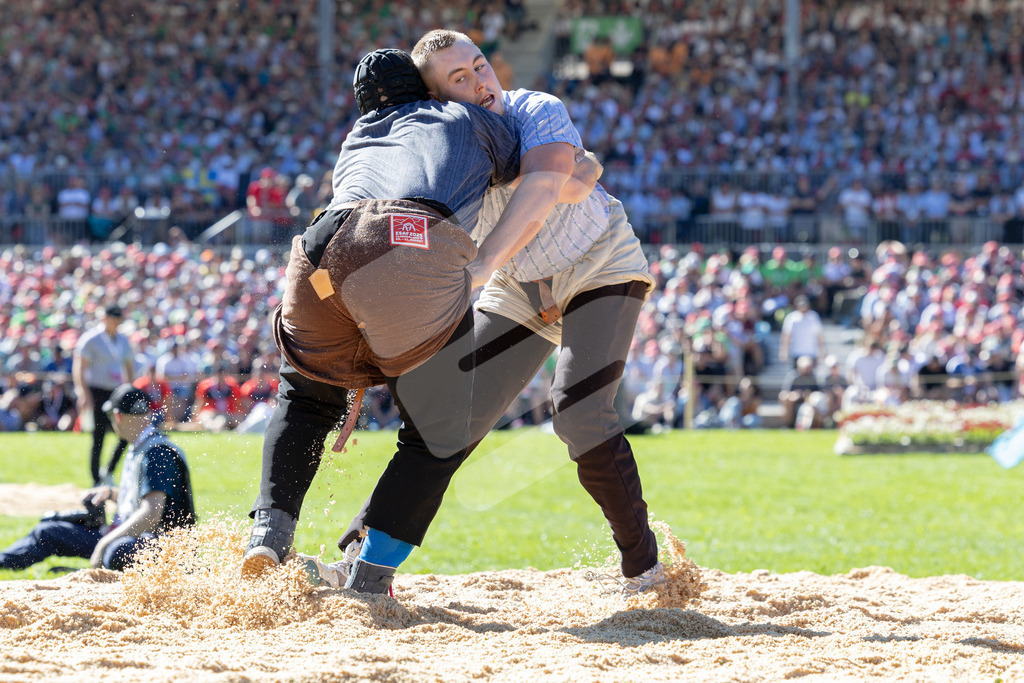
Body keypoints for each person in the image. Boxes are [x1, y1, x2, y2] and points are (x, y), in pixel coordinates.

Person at [328, 31, 664, 595]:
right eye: (459, 78)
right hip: (518, 285)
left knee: (579, 414)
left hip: (597, 263)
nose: (480, 81)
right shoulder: (441, 147)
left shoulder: (537, 107)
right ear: (435, 98)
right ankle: (366, 555)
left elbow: (544, 189)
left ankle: (645, 570)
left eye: (480, 65)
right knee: (443, 412)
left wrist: (483, 263)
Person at [242, 47, 587, 586]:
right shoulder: (468, 117)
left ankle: (269, 532)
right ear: (428, 89)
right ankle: (372, 571)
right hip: (406, 243)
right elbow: (548, 174)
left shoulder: (357, 137)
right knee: (439, 432)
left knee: (304, 397)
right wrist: (585, 167)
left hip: (318, 258)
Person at [0, 385, 195, 571]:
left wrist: (104, 543)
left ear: (117, 416)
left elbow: (152, 513)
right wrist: (110, 493)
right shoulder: (144, 446)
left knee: (116, 551)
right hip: (138, 537)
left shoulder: (157, 452)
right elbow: (143, 498)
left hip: (163, 547)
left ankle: (105, 571)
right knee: (49, 531)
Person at [73, 306, 136, 485]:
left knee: (124, 433)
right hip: (96, 390)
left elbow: (129, 366)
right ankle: (96, 479)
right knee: (98, 436)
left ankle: (108, 471)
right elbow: (80, 367)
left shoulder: (122, 340)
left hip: (116, 390)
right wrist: (83, 392)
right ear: (105, 319)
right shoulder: (91, 339)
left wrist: (129, 389)